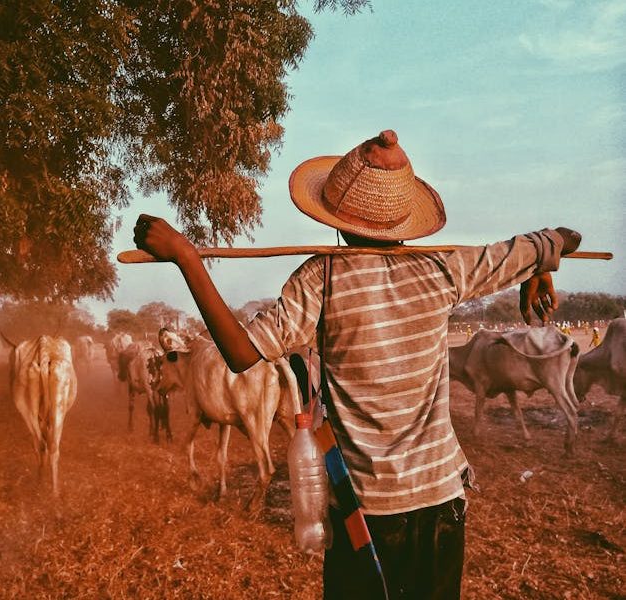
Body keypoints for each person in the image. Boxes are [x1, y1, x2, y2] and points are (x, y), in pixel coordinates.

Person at [132, 129, 581, 599]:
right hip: (442, 502)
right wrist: (539, 265)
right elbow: (565, 238)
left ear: (338, 218)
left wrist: (187, 258)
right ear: (404, 217)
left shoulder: (321, 278)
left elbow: (242, 353)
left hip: (366, 513)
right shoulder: (445, 268)